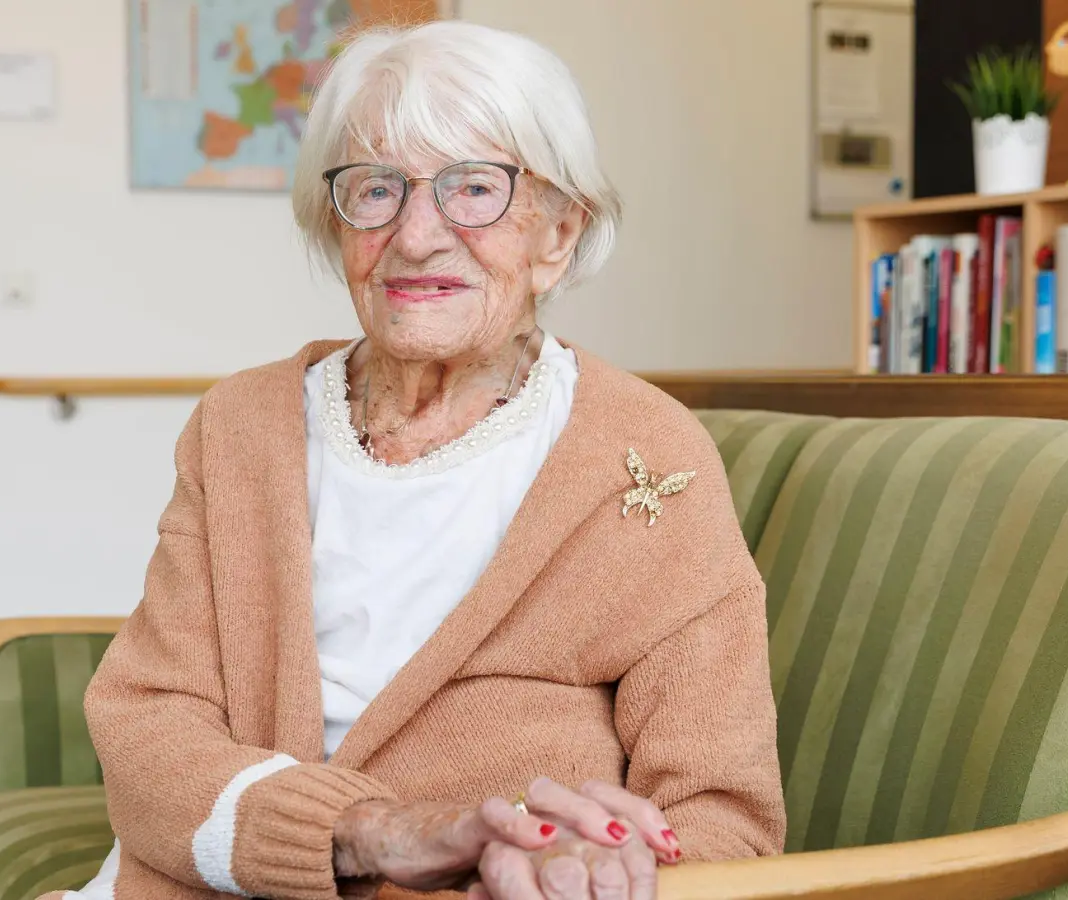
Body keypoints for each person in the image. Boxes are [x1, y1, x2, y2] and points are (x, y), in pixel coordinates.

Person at [46, 19, 784, 900]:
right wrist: (363, 834)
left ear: (558, 235)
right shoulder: (241, 426)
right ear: (337, 221)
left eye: (475, 188)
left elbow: (722, 816)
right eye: (376, 188)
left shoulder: (648, 455)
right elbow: (146, 726)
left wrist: (589, 868)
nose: (417, 234)